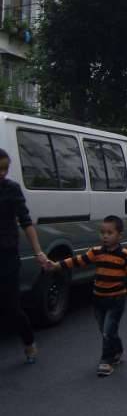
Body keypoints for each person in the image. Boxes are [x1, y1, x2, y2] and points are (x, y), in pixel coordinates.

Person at [48, 215, 127, 377]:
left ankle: (106, 361)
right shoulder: (96, 252)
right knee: (105, 330)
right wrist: (57, 266)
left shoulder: (124, 255)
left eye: (110, 233)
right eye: (102, 233)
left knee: (108, 331)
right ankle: (117, 349)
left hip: (116, 299)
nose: (105, 236)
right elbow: (77, 261)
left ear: (119, 235)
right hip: (98, 298)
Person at [0, 147, 49, 364]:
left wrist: (38, 252)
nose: (2, 173)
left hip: (7, 255)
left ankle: (28, 342)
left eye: (5, 169)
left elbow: (26, 223)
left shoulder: (11, 189)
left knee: (11, 306)